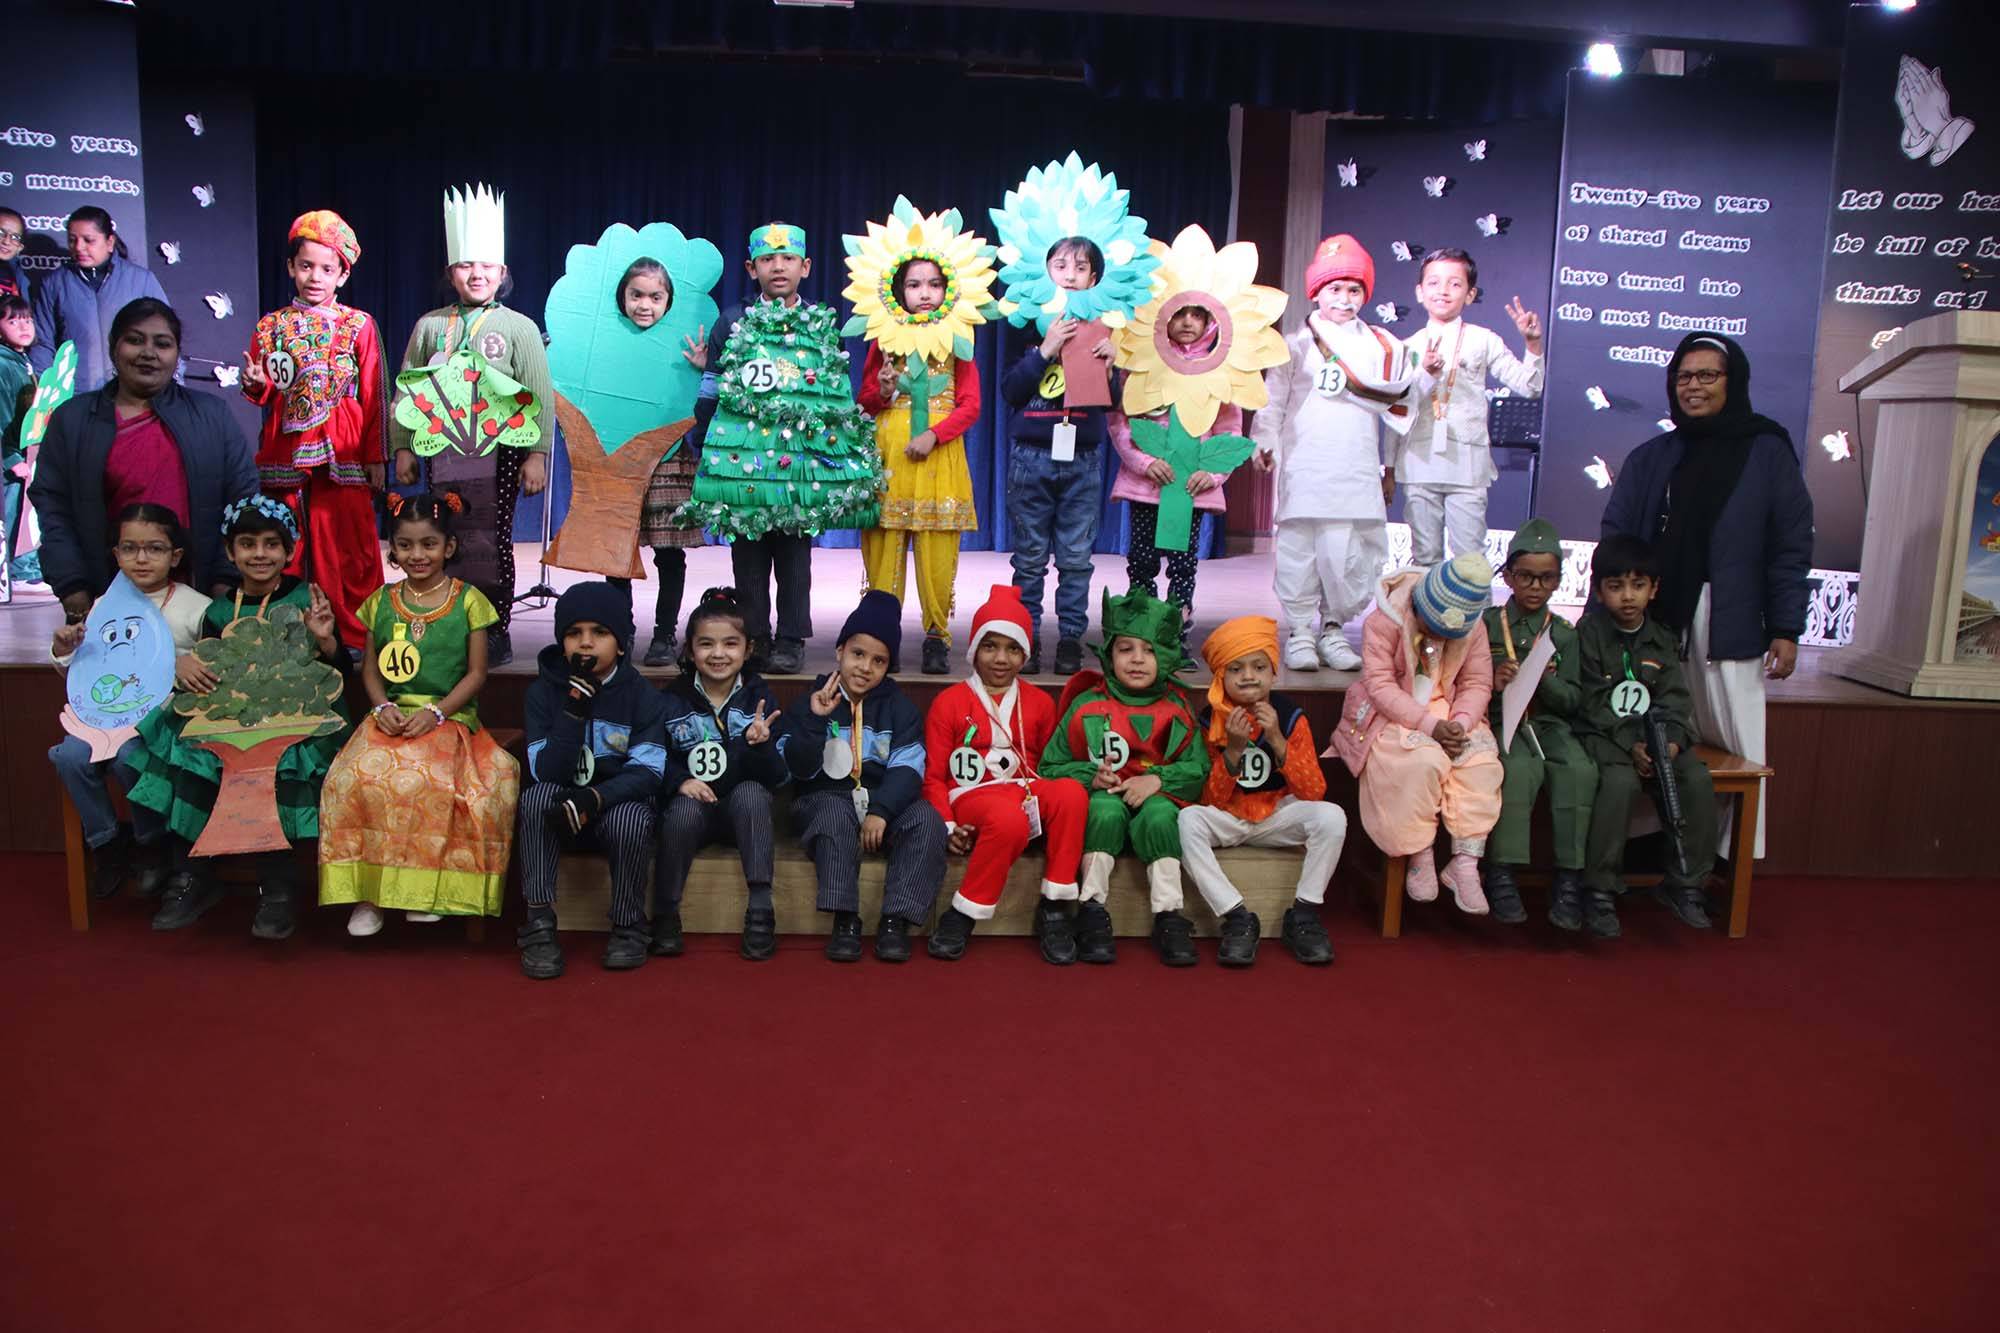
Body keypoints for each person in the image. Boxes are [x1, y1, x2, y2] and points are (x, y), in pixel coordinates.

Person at [1600, 331, 1812, 863]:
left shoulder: (1767, 449)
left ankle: (1726, 859)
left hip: (1728, 616)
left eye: (1707, 375)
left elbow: (1790, 543)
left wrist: (1786, 627)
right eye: (1683, 376)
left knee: (1735, 737)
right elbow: (1617, 539)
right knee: (1653, 729)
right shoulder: (1653, 457)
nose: (1693, 386)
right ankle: (1650, 845)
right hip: (1655, 617)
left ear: (1732, 381)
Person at [125, 496, 349, 939]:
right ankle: (193, 875)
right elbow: (211, 671)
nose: (260, 554)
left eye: (271, 544)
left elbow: (340, 672)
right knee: (191, 760)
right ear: (230, 552)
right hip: (231, 718)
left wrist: (324, 641)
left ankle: (278, 889)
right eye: (247, 544)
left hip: (296, 721)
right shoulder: (218, 611)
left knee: (275, 769)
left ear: (290, 550)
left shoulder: (308, 598)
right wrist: (184, 668)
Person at [680, 224, 881, 675]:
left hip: (799, 465)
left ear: (805, 267)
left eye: (788, 258)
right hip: (743, 462)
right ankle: (755, 638)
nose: (778, 266)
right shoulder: (733, 320)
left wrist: (840, 452)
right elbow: (712, 384)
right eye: (767, 259)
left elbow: (834, 391)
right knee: (748, 556)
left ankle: (791, 639)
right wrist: (704, 440)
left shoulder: (821, 322)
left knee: (794, 556)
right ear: (752, 268)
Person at [318, 492, 519, 935]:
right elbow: (370, 670)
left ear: (449, 546)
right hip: (391, 716)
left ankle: (427, 891)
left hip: (447, 717)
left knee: (428, 781)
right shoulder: (381, 601)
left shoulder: (469, 601)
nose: (417, 554)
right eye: (405, 545)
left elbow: (477, 674)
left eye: (429, 544)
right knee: (352, 779)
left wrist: (437, 713)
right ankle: (370, 894)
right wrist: (381, 706)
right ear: (393, 547)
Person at [390, 185, 553, 667]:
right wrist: (402, 447)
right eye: (465, 265)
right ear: (450, 273)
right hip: (442, 453)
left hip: (500, 454)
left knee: (490, 540)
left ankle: (495, 629)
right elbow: (408, 388)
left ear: (502, 272)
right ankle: (448, 623)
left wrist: (537, 454)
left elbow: (539, 394)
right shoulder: (430, 326)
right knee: (443, 535)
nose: (476, 274)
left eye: (486, 265)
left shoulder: (519, 327)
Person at [31, 297, 258, 618]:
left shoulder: (211, 415)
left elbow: (243, 499)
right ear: (114, 347)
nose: (148, 353)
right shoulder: (73, 420)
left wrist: (226, 580)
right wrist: (72, 585)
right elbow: (53, 507)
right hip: (103, 598)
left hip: (199, 598)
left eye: (162, 344)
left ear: (176, 354)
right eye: (135, 340)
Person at [1253, 234, 1418, 670]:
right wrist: (1265, 441)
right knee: (1301, 549)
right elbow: (1274, 398)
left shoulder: (1383, 346)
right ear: (1316, 291)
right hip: (1306, 462)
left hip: (1356, 465)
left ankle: (1333, 629)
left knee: (1348, 552)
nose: (1344, 299)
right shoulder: (1295, 343)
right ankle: (1300, 631)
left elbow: (1396, 411)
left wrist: (1390, 468)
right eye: (1335, 288)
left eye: (1354, 289)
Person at [239, 210, 388, 654]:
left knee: (349, 546)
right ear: (291, 267)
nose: (315, 277)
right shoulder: (271, 326)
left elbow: (375, 393)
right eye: (306, 266)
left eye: (326, 268)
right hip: (287, 450)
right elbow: (266, 389)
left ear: (343, 274)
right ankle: (288, 634)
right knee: (289, 544)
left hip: (344, 452)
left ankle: (356, 635)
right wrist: (256, 383)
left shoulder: (358, 325)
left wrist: (376, 456)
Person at [47, 504, 210, 901]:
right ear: (116, 554)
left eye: (154, 548)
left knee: (129, 758)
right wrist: (65, 650)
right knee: (68, 756)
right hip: (105, 717)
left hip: (159, 720)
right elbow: (87, 677)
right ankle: (106, 844)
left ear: (175, 556)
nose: (141, 558)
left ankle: (152, 843)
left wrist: (184, 664)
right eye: (130, 548)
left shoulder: (196, 607)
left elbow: (210, 672)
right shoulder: (104, 606)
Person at [1039, 588, 1208, 966]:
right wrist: (1089, 775)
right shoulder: (1087, 705)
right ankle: (1091, 909)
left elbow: (1198, 768)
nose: (1137, 659)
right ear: (1109, 654)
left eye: (1149, 650)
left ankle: (1169, 914)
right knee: (1104, 811)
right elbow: (1050, 767)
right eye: (1125, 649)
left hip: (1156, 800)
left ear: (1166, 656)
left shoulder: (1177, 708)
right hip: (1105, 799)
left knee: (1161, 816)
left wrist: (1158, 780)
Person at [921, 583, 1089, 963]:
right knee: (1007, 818)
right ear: (974, 649)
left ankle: (1055, 905)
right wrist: (947, 826)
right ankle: (963, 912)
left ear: (1025, 654)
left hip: (1024, 788)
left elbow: (1049, 766)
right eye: (990, 646)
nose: (1001, 659)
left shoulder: (1039, 702)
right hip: (972, 795)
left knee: (1071, 794)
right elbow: (934, 776)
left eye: (1013, 649)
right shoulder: (949, 702)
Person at [1332, 553, 1503, 914]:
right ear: (1420, 604)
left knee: (1483, 765)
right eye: (1434, 627)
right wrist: (1429, 727)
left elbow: (1476, 682)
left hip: (1451, 714)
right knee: (1422, 762)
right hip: (1395, 714)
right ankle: (1419, 853)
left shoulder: (1474, 626)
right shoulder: (1385, 620)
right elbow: (1379, 686)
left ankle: (1464, 864)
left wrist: (1461, 723)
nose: (1440, 637)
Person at [515, 582, 669, 979]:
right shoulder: (542, 693)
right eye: (573, 633)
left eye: (599, 632)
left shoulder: (642, 695)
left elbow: (648, 773)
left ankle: (628, 925)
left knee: (632, 816)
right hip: (562, 812)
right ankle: (539, 923)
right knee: (535, 799)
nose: (585, 643)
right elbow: (545, 772)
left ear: (621, 645)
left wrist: (595, 799)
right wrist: (573, 711)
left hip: (611, 808)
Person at [783, 589, 945, 962]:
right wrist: (815, 721)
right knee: (831, 813)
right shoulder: (811, 700)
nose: (865, 668)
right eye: (857, 654)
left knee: (926, 820)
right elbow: (797, 768)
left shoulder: (900, 710)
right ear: (840, 651)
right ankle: (845, 919)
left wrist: (882, 811)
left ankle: (895, 921)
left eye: (878, 660)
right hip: (823, 799)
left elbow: (908, 768)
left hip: (880, 805)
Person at [1179, 615, 1345, 967]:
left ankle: (1304, 914)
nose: (1248, 676)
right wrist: (1234, 750)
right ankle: (1236, 916)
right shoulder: (1209, 720)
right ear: (1220, 677)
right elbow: (1209, 799)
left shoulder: (1291, 716)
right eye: (1235, 669)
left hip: (1276, 815)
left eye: (1258, 667)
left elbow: (1313, 791)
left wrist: (1277, 740)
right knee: (1186, 820)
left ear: (1274, 673)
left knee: (1332, 816)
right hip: (1229, 817)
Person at [1575, 535, 1718, 937]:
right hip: (1606, 737)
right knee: (1618, 783)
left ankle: (1686, 883)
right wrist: (1630, 744)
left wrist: (1669, 743)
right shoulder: (1588, 635)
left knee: (1695, 778)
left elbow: (1675, 700)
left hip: (1657, 739)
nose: (1627, 596)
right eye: (1616, 586)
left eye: (1638, 585)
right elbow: (1591, 702)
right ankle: (1599, 889)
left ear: (1653, 589)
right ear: (1598, 591)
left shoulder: (1662, 639)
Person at [856, 254, 982, 675]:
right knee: (883, 550)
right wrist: (884, 391)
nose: (924, 293)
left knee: (937, 551)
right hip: (891, 454)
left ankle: (936, 638)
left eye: (933, 284)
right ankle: (880, 640)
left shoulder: (958, 337)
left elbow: (970, 405)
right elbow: (866, 401)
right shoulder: (883, 336)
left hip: (937, 458)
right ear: (900, 291)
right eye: (914, 285)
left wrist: (934, 435)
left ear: (948, 290)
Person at [1000, 237, 1117, 676]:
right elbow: (1011, 390)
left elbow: (1113, 403)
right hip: (1030, 456)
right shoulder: (1024, 324)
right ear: (1045, 272)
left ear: (1095, 279)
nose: (1070, 275)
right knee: (1029, 557)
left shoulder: (1104, 328)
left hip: (1082, 459)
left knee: (1075, 558)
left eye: (1081, 268)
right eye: (1060, 265)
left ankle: (1070, 637)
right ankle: (1025, 637)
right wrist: (1045, 350)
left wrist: (1111, 369)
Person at [656, 587, 789, 960]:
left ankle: (760, 910)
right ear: (689, 650)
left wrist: (760, 746)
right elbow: (653, 757)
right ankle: (665, 913)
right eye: (706, 644)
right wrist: (680, 781)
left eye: (730, 644)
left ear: (748, 649)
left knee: (751, 794)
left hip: (740, 813)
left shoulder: (760, 700)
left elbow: (778, 777)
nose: (718, 654)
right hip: (694, 808)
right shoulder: (670, 700)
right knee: (681, 810)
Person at [1394, 247, 1543, 568]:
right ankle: (1425, 604)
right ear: (1419, 292)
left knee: (1470, 559)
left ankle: (1470, 605)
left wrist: (1532, 345)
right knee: (1425, 558)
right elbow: (1398, 408)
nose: (1443, 291)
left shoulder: (1483, 340)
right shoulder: (1405, 348)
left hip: (1467, 465)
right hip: (1419, 462)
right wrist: (1425, 374)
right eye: (1434, 283)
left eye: (1455, 284)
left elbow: (1529, 387)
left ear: (1470, 294)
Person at [1480, 519, 1595, 929]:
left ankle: (1569, 879)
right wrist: (1494, 681)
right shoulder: (1488, 624)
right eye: (1526, 576)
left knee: (1579, 770)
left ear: (1559, 580)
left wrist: (1546, 680)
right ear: (1508, 576)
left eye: (1546, 578)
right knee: (1517, 769)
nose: (1535, 586)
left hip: (1549, 724)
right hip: (1503, 721)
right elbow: (1466, 683)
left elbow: (1573, 700)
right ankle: (1502, 874)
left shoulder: (1563, 634)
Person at [1109, 301, 1244, 645]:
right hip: (1146, 486)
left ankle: (1174, 632)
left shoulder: (1219, 372)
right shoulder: (1141, 366)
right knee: (1142, 559)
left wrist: (1212, 474)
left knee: (1183, 563)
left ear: (1210, 322)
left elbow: (1229, 431)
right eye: (1179, 314)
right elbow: (1120, 423)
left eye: (1197, 315)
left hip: (1189, 489)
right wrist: (1144, 462)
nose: (1187, 322)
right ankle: (1141, 627)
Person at [618, 257, 708, 667]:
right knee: (617, 553)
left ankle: (664, 633)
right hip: (620, 461)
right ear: (622, 297)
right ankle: (620, 631)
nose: (645, 305)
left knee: (669, 553)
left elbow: (702, 403)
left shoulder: (683, 346)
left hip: (669, 460)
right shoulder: (607, 342)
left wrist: (701, 371)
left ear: (668, 302)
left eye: (656, 297)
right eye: (636, 295)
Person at [29, 207, 169, 392]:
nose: (79, 247)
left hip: (132, 392)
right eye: (72, 240)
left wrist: (169, 385)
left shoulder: (141, 280)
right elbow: (43, 343)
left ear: (110, 242)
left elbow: (166, 336)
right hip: (76, 395)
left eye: (88, 240)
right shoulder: (54, 283)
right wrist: (44, 391)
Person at [1, 293, 32, 563]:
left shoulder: (22, 362)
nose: (24, 327)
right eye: (13, 321)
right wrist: (11, 458)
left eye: (28, 320)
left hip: (26, 454)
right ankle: (19, 569)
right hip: (11, 460)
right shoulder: (3, 365)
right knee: (14, 514)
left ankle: (27, 566)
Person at [0, 206, 31, 302]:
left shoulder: (20, 279)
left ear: (20, 247)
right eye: (1, 233)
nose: (6, 241)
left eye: (15, 237)